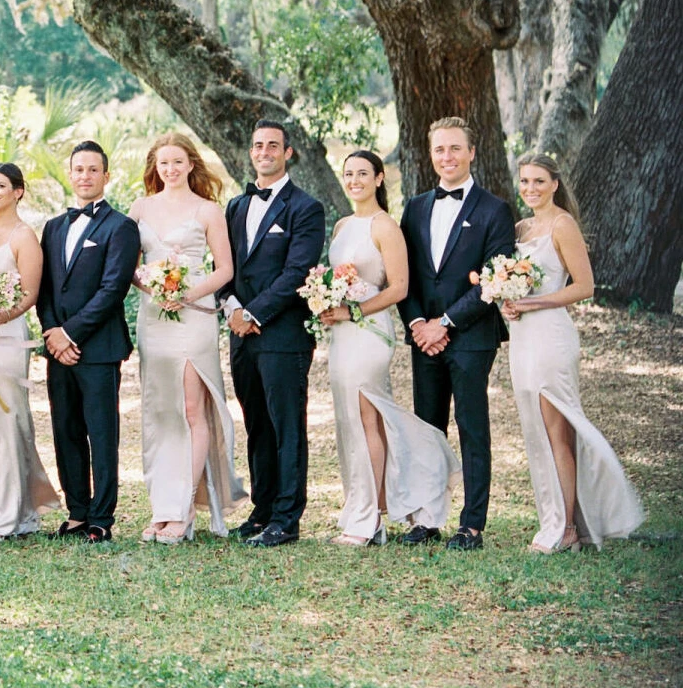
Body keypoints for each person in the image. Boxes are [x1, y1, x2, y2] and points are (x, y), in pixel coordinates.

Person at [504, 153, 644, 552]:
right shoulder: (521, 227)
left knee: (557, 429)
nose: (530, 188)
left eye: (538, 181)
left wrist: (532, 303)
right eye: (525, 181)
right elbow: (513, 284)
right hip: (522, 338)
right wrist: (508, 300)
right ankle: (560, 518)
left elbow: (584, 287)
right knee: (537, 431)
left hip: (551, 336)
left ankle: (566, 528)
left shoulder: (562, 225)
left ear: (555, 184)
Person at [319, 150, 458, 546]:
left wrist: (353, 311)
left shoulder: (385, 227)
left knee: (367, 418)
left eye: (363, 173)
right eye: (348, 173)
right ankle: (368, 509)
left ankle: (367, 519)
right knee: (352, 421)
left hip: (370, 332)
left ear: (379, 178)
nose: (354, 180)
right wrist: (326, 302)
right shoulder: (343, 224)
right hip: (342, 335)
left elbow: (398, 288)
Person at [398, 116, 515, 550]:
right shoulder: (414, 207)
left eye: (454, 149)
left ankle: (472, 524)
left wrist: (444, 324)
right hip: (422, 336)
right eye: (439, 150)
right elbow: (403, 274)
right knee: (427, 428)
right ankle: (427, 518)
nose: (446, 157)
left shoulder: (494, 210)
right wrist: (417, 326)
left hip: (470, 336)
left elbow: (492, 280)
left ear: (471, 153)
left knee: (471, 426)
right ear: (431, 155)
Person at [219, 120, 326, 548]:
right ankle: (262, 509)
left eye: (273, 145)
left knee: (286, 426)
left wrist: (254, 312)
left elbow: (296, 272)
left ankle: (287, 517)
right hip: (240, 334)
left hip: (282, 334)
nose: (264, 151)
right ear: (251, 152)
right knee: (256, 424)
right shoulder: (235, 207)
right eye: (258, 145)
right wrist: (231, 308)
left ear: (288, 153)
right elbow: (224, 266)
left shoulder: (306, 208)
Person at [133, 132, 242, 543]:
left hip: (194, 316)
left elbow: (224, 269)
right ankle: (161, 509)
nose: (171, 169)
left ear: (191, 164)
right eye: (164, 163)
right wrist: (156, 289)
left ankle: (181, 512)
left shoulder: (208, 210)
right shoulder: (141, 207)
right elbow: (132, 267)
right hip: (153, 318)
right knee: (160, 411)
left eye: (178, 162)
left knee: (192, 410)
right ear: (155, 167)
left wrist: (186, 294)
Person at [33, 143, 137, 542]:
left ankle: (101, 518)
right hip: (57, 349)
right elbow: (43, 289)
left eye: (93, 170)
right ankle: (77, 511)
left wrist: (70, 333)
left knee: (101, 433)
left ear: (106, 177)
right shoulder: (54, 227)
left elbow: (113, 290)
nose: (85, 176)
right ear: (70, 173)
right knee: (66, 429)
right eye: (78, 169)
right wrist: (52, 333)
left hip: (98, 348)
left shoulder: (120, 226)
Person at [0, 163, 60, 538]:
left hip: (7, 337)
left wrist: (6, 313)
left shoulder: (24, 237)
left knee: (7, 418)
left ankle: (8, 516)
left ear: (18, 191)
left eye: (1, 186)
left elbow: (31, 293)